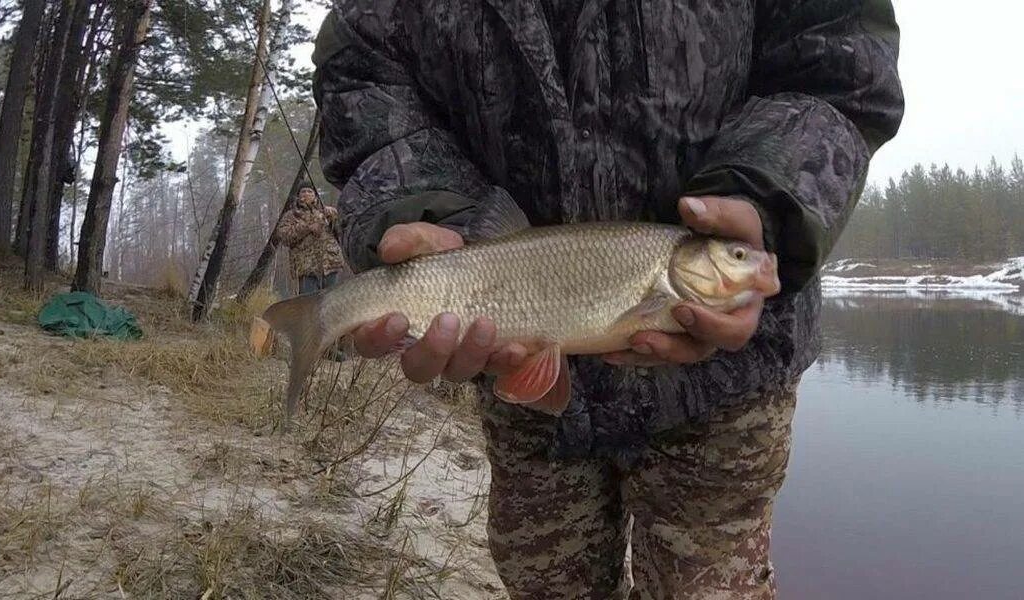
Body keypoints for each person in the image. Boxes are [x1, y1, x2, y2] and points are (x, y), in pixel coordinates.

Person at [311, 1, 904, 598]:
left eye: (737, 261)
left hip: (731, 386)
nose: (752, 267)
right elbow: (362, 73)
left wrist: (765, 203)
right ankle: (317, 323)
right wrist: (415, 205)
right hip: (520, 392)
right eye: (737, 259)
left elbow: (835, 62)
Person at [276, 186, 343, 296]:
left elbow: (342, 233)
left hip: (331, 266)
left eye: (310, 191)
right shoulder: (291, 215)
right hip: (307, 270)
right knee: (309, 306)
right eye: (303, 191)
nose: (306, 193)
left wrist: (334, 218)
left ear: (315, 195)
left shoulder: (325, 212)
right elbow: (284, 236)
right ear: (299, 196)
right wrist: (308, 227)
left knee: (332, 305)